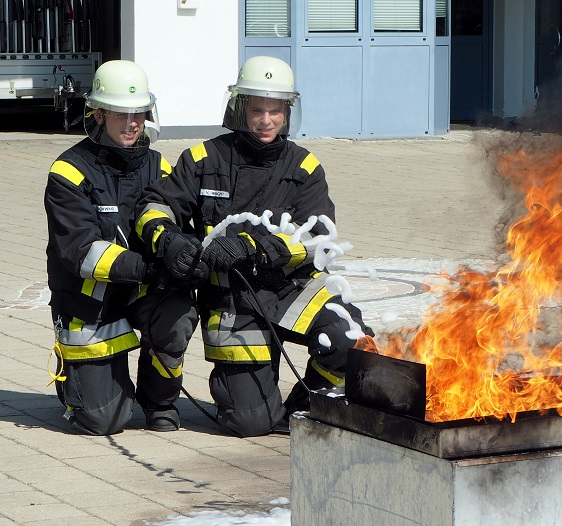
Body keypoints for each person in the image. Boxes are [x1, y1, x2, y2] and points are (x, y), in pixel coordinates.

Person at [135, 56, 373, 437]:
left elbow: (317, 236)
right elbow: (154, 205)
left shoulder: (304, 166)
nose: (266, 120)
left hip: (292, 286)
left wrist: (254, 247)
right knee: (251, 423)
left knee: (351, 342)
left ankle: (306, 402)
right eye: (258, 109)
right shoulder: (203, 158)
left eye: (275, 110)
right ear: (240, 108)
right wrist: (170, 241)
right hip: (232, 296)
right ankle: (257, 405)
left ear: (287, 111)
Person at [44, 60, 205, 435]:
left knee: (178, 314)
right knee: (103, 420)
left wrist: (185, 252)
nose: (132, 123)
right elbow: (80, 251)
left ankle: (160, 403)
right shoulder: (68, 171)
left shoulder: (158, 165)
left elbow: (177, 221)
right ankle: (79, 389)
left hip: (141, 294)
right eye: (120, 114)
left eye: (139, 113)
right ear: (98, 115)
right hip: (89, 302)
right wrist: (148, 269)